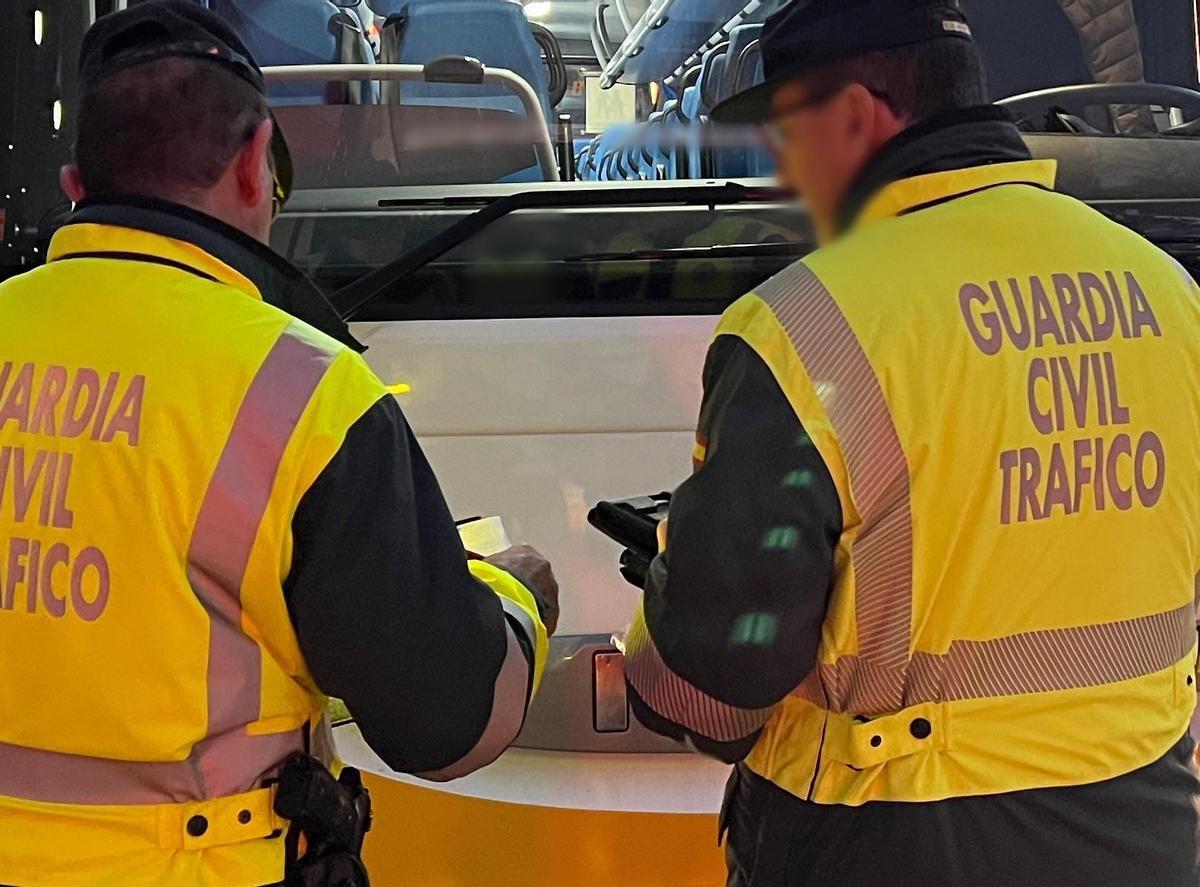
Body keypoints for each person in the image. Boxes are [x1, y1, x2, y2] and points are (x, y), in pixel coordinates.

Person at [622, 1, 1200, 885]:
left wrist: (670, 572)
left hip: (885, 845)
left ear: (857, 111)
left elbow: (712, 689)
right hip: (1148, 835)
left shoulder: (802, 326)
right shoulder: (1170, 295)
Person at [0, 3, 558, 885]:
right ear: (258, 165)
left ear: (76, 186)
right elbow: (442, 723)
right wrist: (512, 600)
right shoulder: (306, 393)